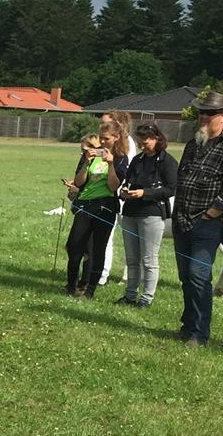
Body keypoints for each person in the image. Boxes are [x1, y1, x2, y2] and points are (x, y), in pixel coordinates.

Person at [171, 90, 223, 346]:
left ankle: (200, 333)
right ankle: (188, 326)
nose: (203, 118)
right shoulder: (192, 144)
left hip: (207, 224)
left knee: (199, 275)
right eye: (201, 113)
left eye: (209, 114)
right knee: (185, 276)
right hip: (182, 220)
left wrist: (214, 211)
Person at [115, 122, 177, 307]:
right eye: (139, 141)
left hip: (152, 214)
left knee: (149, 259)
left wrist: (145, 193)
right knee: (132, 259)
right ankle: (130, 295)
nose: (142, 145)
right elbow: (129, 180)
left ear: (157, 138)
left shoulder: (167, 161)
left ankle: (146, 298)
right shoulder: (137, 160)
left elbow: (171, 188)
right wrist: (124, 191)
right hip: (131, 212)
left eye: (146, 141)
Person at [63, 121, 123, 297]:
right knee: (74, 246)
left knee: (97, 249)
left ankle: (89, 290)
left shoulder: (120, 158)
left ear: (116, 138)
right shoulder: (88, 155)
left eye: (106, 139)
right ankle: (71, 285)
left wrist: (111, 164)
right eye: (101, 139)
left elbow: (113, 187)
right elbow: (79, 182)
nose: (103, 143)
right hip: (85, 204)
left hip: (106, 206)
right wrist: (86, 164)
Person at [96, 109, 137, 285]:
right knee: (105, 234)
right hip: (105, 192)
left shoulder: (127, 143)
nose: (102, 127)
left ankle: (109, 274)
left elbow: (126, 170)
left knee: (119, 236)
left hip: (121, 194)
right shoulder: (104, 144)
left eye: (106, 123)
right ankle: (100, 273)